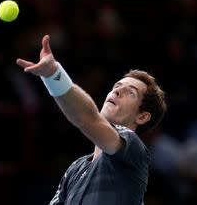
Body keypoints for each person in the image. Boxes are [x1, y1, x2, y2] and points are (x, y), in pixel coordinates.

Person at [16, 34, 167, 204]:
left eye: (130, 92)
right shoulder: (75, 168)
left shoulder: (134, 150)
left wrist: (54, 75)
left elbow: (87, 118)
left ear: (142, 116)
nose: (117, 92)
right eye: (117, 87)